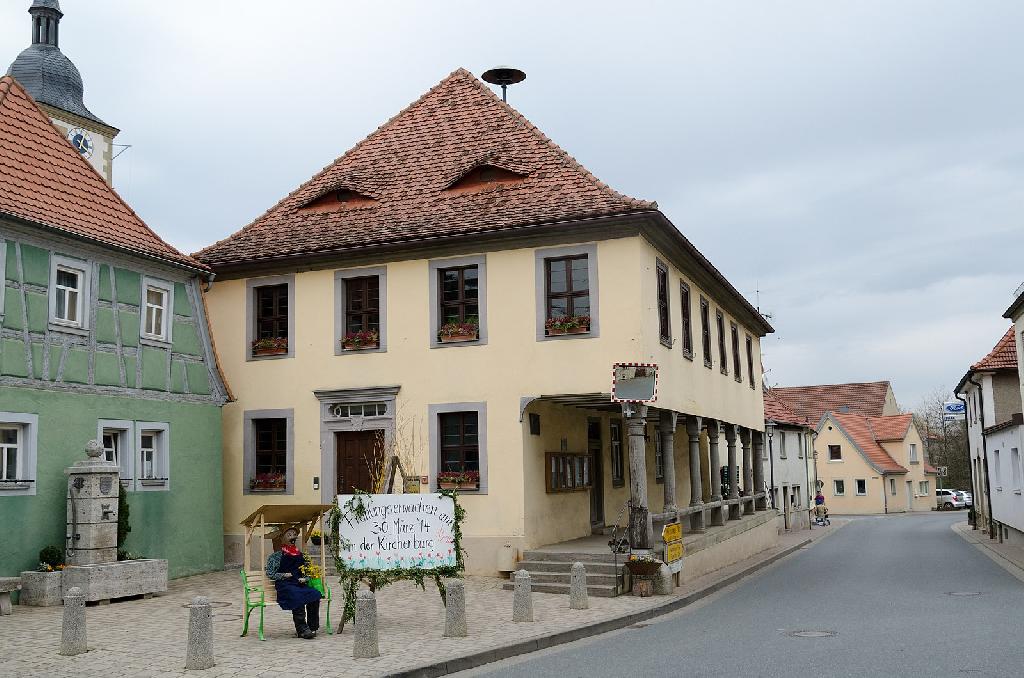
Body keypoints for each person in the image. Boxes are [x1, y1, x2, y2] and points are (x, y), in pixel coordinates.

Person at [265, 527, 322, 639]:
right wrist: (283, 575)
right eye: (289, 534)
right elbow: (270, 573)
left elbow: (307, 571)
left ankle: (312, 627)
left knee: (315, 594)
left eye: (294, 534)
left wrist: (305, 578)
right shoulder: (275, 557)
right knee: (297, 595)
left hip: (299, 584)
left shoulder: (301, 555)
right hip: (284, 585)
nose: (293, 536)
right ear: (282, 538)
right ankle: (302, 629)